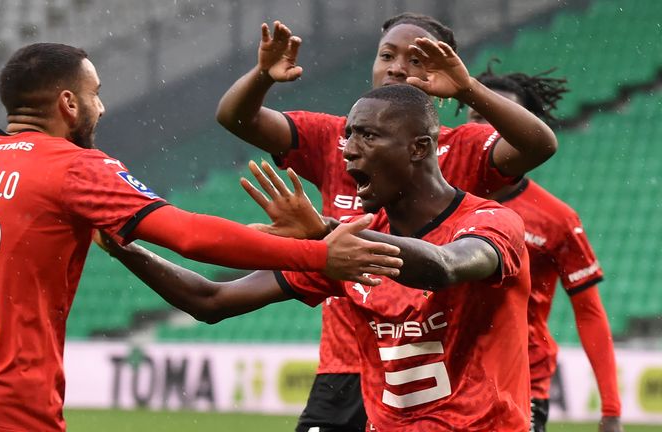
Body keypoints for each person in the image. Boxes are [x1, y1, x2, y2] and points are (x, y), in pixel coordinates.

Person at [0, 43, 404, 432]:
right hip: (5, 406)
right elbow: (187, 234)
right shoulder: (74, 166)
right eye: (95, 93)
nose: (101, 107)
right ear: (68, 103)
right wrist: (319, 252)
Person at [100, 84, 533, 430]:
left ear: (419, 148)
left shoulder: (492, 221)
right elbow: (212, 301)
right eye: (347, 135)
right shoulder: (349, 246)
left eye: (368, 134)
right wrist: (127, 249)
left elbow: (445, 266)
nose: (348, 149)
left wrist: (326, 232)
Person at [215, 13, 558, 431]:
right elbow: (236, 118)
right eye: (387, 55)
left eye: (416, 59)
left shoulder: (458, 147)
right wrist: (262, 76)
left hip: (434, 368)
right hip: (345, 367)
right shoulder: (336, 139)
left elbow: (538, 145)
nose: (397, 67)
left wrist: (469, 89)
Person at [462, 62, 623, 432]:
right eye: (477, 114)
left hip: (522, 380)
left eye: (501, 116)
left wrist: (611, 410)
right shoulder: (433, 199)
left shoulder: (557, 218)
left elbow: (589, 313)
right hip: (446, 369)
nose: (486, 127)